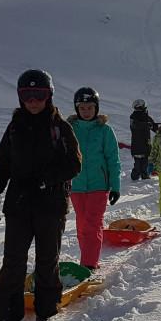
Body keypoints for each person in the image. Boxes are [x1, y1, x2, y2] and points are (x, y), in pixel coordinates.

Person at [0, 69, 81, 321]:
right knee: (12, 262)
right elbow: (3, 164)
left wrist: (46, 180)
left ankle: (44, 313)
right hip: (19, 204)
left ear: (49, 96)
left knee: (47, 261)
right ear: (20, 97)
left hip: (51, 205)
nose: (34, 101)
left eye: (40, 95)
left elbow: (74, 164)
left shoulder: (60, 127)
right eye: (28, 95)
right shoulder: (15, 127)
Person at [67, 87, 120, 272]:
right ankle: (87, 259)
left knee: (92, 223)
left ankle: (89, 264)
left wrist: (115, 186)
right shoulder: (70, 130)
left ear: (96, 108)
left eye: (90, 107)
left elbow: (113, 159)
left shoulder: (105, 130)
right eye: (82, 108)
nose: (86, 111)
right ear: (77, 109)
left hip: (99, 185)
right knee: (82, 225)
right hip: (77, 185)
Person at [128, 99, 156, 180]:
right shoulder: (133, 117)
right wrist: (147, 125)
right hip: (137, 143)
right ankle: (135, 175)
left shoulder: (147, 117)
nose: (139, 108)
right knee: (137, 163)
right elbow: (134, 125)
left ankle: (145, 174)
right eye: (137, 107)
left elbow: (154, 127)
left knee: (145, 162)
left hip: (146, 143)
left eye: (140, 106)